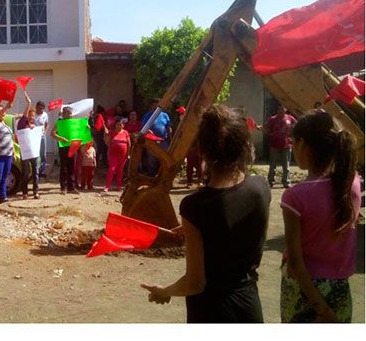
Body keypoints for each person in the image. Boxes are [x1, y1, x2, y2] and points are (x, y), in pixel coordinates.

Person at [141, 104, 270, 323]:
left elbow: (195, 283)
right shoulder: (261, 187)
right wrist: (199, 230)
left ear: (201, 150)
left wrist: (165, 291)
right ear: (245, 145)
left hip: (211, 310)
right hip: (249, 305)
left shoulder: (195, 207)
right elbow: (235, 224)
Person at [280, 111, 360, 323]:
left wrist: (321, 308)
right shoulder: (351, 182)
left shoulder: (294, 197)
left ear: (302, 144)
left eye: (292, 142)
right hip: (340, 288)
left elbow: (296, 263)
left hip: (304, 291)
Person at [259, 103, 297, 188]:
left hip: (287, 145)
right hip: (274, 145)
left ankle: (286, 182)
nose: (281, 111)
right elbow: (267, 130)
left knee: (286, 166)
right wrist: (262, 130)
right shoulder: (272, 119)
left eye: (283, 109)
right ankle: (270, 181)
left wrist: (293, 138)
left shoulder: (290, 118)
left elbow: (297, 128)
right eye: (280, 109)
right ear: (277, 110)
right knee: (272, 165)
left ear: (286, 109)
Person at [17, 92, 41, 200]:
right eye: (30, 115)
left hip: (34, 153)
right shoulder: (22, 123)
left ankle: (36, 192)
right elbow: (24, 116)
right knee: (25, 173)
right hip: (25, 153)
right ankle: (25, 193)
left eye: (33, 116)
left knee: (35, 172)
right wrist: (29, 103)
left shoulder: (35, 126)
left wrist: (38, 131)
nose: (32, 117)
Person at [51, 106, 79, 195]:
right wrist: (61, 138)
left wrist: (86, 127)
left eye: (71, 113)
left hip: (73, 147)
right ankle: (63, 187)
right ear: (64, 114)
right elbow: (52, 133)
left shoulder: (74, 123)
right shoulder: (60, 123)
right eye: (69, 113)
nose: (70, 115)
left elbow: (79, 132)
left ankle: (71, 187)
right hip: (63, 147)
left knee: (71, 167)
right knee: (64, 167)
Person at [141, 98, 171, 176]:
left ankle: (163, 175)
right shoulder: (147, 115)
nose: (155, 107)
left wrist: (170, 138)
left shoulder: (165, 115)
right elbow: (144, 128)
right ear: (151, 106)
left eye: (157, 105)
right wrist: (150, 133)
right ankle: (152, 176)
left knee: (164, 158)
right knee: (152, 159)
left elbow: (168, 128)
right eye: (154, 105)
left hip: (163, 141)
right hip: (151, 142)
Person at [103, 117, 130, 192]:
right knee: (111, 169)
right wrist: (106, 134)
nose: (119, 126)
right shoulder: (111, 132)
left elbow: (129, 144)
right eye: (117, 124)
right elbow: (107, 142)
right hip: (113, 154)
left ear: (123, 125)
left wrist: (128, 154)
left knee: (120, 170)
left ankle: (118, 186)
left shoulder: (126, 132)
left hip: (123, 155)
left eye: (120, 124)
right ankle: (107, 186)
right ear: (115, 125)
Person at [34, 100, 49, 177]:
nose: (40, 110)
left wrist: (45, 132)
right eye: (39, 108)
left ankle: (41, 171)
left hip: (42, 137)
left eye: (42, 108)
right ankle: (35, 171)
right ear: (36, 107)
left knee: (43, 154)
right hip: (33, 137)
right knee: (35, 154)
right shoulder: (33, 114)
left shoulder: (45, 115)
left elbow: (47, 124)